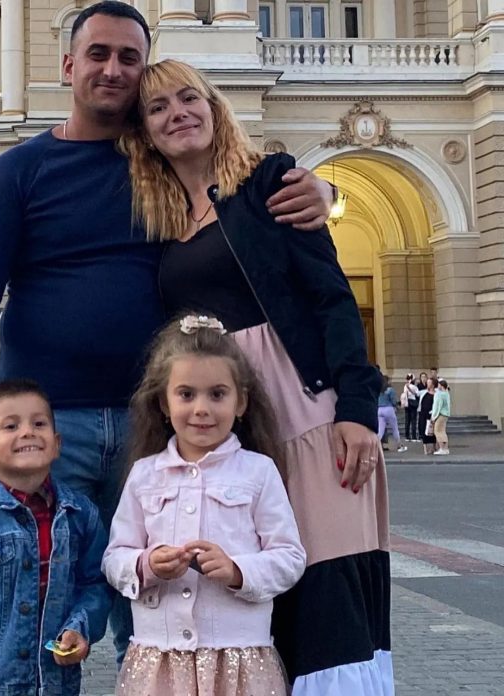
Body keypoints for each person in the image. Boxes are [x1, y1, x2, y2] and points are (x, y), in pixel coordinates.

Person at [0, 0, 332, 659]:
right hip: (47, 431)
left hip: (157, 433)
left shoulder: (165, 161)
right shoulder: (19, 171)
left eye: (129, 58)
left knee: (159, 618)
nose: (113, 69)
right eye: (98, 54)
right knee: (30, 617)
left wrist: (314, 189)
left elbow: (243, 184)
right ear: (69, 66)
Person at [120, 59, 392, 694]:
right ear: (145, 133)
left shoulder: (267, 183)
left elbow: (332, 298)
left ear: (214, 107)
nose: (177, 114)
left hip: (305, 411)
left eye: (189, 98)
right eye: (158, 108)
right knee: (247, 590)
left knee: (326, 592)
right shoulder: (162, 221)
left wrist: (355, 408)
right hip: (228, 430)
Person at [102, 316, 306, 696]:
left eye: (217, 394)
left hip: (239, 660)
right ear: (163, 403)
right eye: (186, 394)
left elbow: (290, 557)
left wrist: (238, 571)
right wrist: (146, 564)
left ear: (241, 401)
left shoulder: (258, 471)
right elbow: (115, 557)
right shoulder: (145, 474)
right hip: (160, 661)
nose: (201, 408)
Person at [0, 380, 113, 696]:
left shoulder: (81, 515)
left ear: (57, 444)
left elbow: (96, 584)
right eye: (11, 426)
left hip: (57, 685)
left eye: (39, 424)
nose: (27, 432)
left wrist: (80, 628)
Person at [378, 375, 407, 453]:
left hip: (379, 409)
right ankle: (399, 445)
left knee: (380, 430)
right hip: (388, 409)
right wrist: (397, 406)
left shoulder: (378, 390)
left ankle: (376, 445)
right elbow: (393, 401)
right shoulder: (390, 390)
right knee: (395, 428)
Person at [431, 378, 451, 455]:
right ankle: (446, 448)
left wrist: (434, 416)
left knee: (437, 431)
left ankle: (442, 448)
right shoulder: (446, 393)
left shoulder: (439, 394)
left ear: (441, 386)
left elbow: (437, 406)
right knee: (443, 431)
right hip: (445, 414)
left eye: (438, 385)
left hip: (440, 414)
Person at [419, 377, 438, 455]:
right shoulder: (424, 392)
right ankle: (425, 449)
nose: (427, 384)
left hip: (432, 414)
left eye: (429, 382)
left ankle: (434, 447)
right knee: (424, 430)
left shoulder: (437, 394)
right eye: (427, 382)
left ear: (433, 384)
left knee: (433, 432)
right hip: (423, 414)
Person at [401, 373, 419, 441]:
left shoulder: (405, 386)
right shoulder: (415, 387)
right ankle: (414, 436)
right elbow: (417, 394)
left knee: (407, 420)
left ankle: (407, 436)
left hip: (407, 403)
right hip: (413, 402)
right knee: (413, 420)